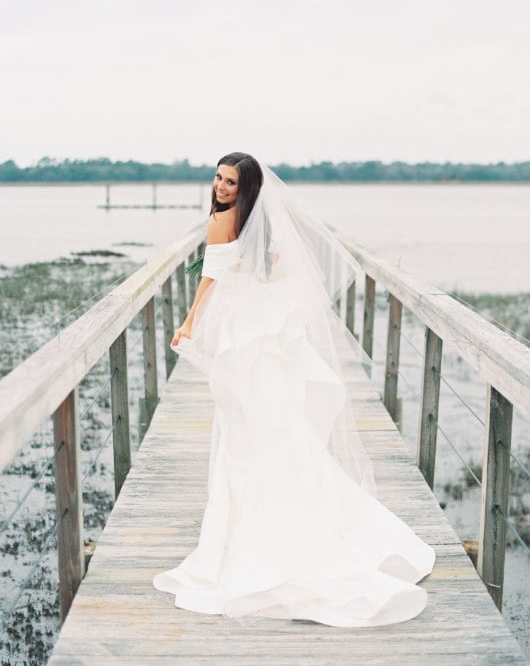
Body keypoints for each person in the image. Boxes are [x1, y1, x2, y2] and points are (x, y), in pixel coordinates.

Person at [153, 151, 435, 627]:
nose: (221, 187)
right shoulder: (258, 224)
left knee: (243, 432)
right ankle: (285, 518)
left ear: (245, 188)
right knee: (269, 423)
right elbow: (275, 269)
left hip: (242, 334)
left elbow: (209, 280)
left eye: (230, 182)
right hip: (263, 327)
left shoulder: (221, 222)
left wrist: (187, 323)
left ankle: (248, 534)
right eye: (219, 178)